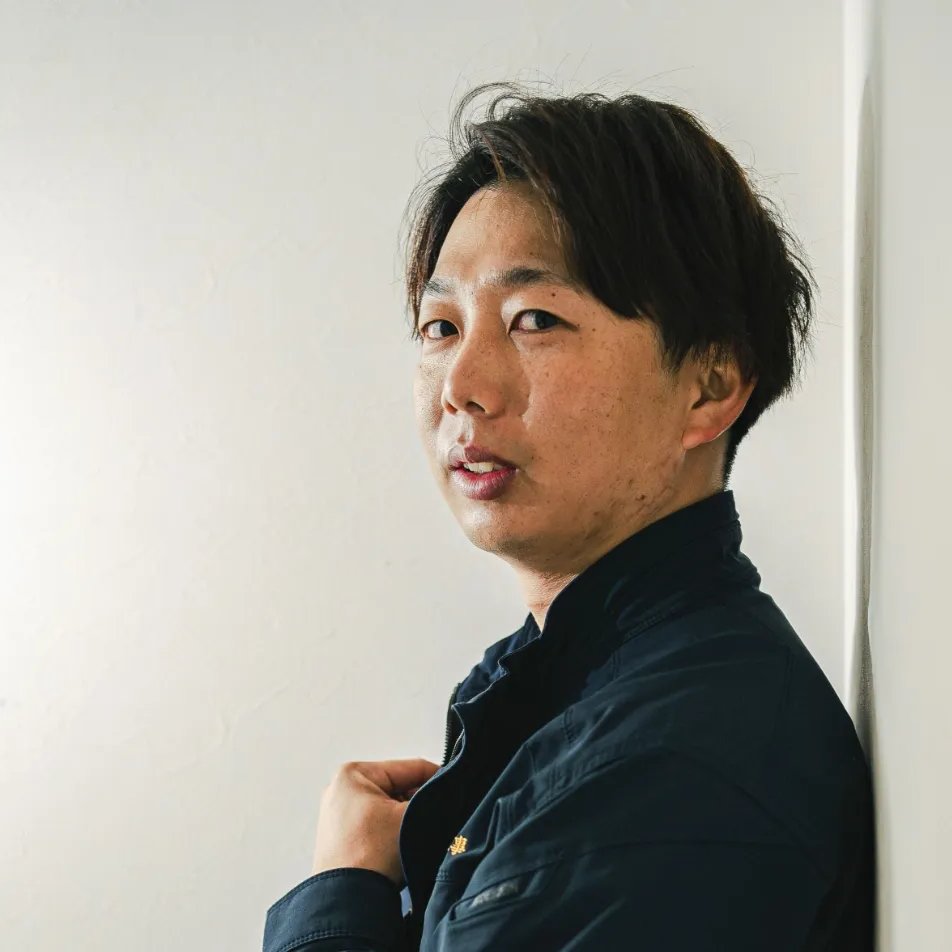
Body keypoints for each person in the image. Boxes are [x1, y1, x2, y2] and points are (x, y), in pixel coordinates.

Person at [262, 82, 875, 951]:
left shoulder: (676, 770)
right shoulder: (581, 690)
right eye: (440, 326)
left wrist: (343, 890)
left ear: (709, 386)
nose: (462, 386)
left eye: (534, 319)